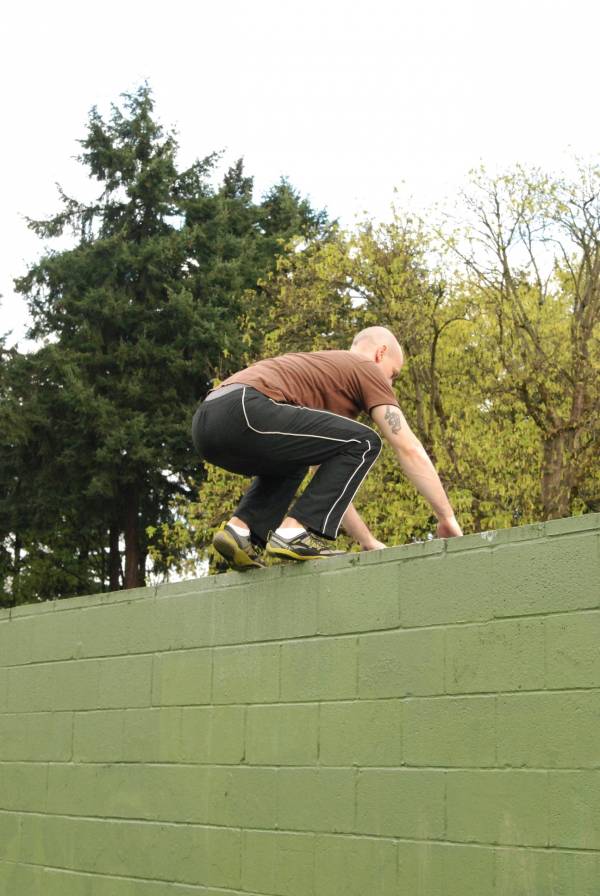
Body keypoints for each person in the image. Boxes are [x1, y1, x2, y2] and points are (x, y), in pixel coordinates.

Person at [191, 326, 462, 571]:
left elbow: (329, 486)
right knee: (366, 441)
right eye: (393, 375)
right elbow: (409, 447)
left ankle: (239, 531)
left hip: (207, 421)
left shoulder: (326, 376)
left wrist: (367, 541)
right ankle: (292, 534)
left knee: (295, 462)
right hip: (246, 407)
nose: (389, 386)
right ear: (381, 353)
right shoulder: (364, 366)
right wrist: (446, 517)